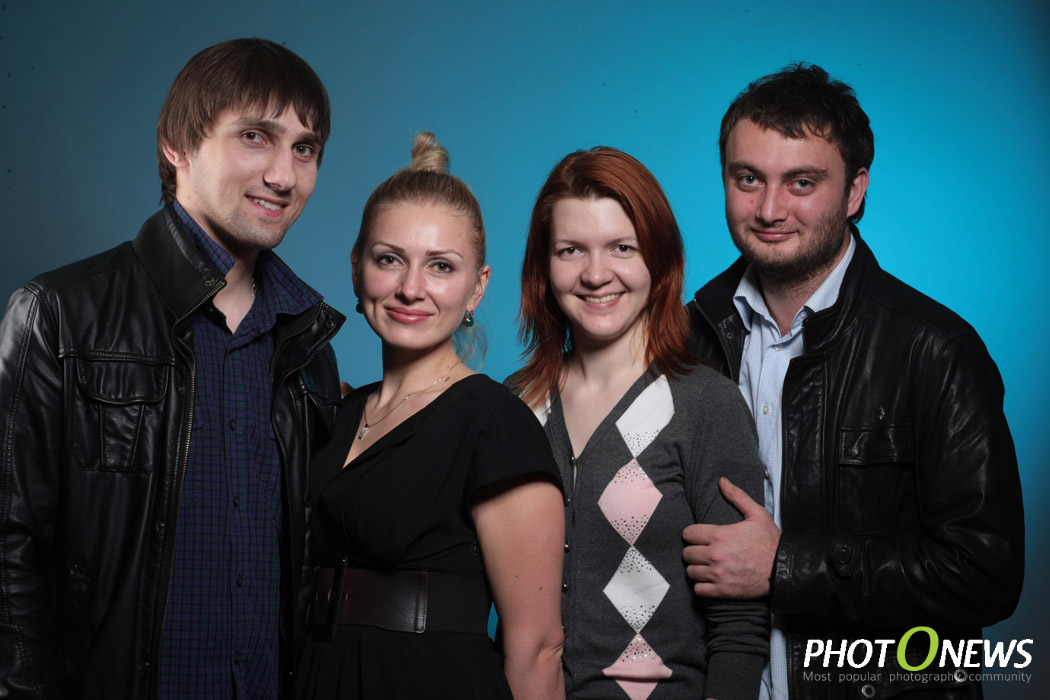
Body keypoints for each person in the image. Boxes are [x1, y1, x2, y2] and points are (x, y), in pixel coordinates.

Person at [0, 39, 344, 699]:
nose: (284, 175)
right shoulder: (59, 314)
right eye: (255, 136)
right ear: (177, 145)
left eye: (305, 148)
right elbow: (8, 548)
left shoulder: (309, 349)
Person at [682, 63, 1024, 700]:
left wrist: (786, 566)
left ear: (855, 191)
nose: (769, 209)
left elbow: (985, 574)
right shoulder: (681, 342)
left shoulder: (935, 350)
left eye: (801, 182)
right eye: (747, 179)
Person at [295, 132, 565, 700]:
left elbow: (537, 648)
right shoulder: (335, 412)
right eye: (389, 260)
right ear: (356, 269)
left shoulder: (495, 425)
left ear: (477, 288)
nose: (411, 288)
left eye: (440, 266)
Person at [511, 146, 769, 700]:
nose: (595, 274)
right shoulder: (513, 407)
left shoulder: (706, 406)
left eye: (621, 248)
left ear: (659, 258)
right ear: (544, 266)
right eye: (570, 250)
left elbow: (740, 628)